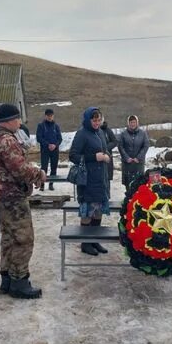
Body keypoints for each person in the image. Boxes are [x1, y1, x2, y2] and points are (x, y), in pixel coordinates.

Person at [0, 104, 46, 299]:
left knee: (8, 238)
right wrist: (39, 173)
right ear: (10, 120)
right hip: (13, 199)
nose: (20, 122)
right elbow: (20, 170)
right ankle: (20, 282)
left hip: (1, 196)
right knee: (23, 238)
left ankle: (7, 279)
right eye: (18, 119)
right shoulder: (7, 141)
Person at [70, 107, 112, 256]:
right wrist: (94, 157)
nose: (96, 122)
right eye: (94, 120)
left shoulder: (100, 132)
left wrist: (105, 155)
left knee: (98, 211)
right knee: (88, 212)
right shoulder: (82, 134)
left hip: (101, 179)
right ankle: (85, 243)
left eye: (99, 120)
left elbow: (103, 149)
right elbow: (73, 156)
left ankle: (94, 240)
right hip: (87, 180)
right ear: (88, 120)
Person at [118, 115, 150, 188]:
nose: (132, 124)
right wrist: (126, 158)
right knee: (128, 184)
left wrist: (138, 157)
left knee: (139, 183)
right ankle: (129, 198)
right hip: (127, 164)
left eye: (134, 122)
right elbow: (120, 146)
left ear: (137, 123)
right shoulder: (123, 134)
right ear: (128, 123)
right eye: (131, 122)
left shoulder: (143, 134)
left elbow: (146, 145)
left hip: (138, 163)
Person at [36, 109, 63, 191]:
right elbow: (39, 138)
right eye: (48, 115)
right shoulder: (41, 125)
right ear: (45, 116)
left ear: (53, 116)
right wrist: (48, 144)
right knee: (44, 168)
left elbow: (60, 138)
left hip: (55, 150)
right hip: (45, 150)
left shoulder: (56, 126)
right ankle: (42, 184)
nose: (50, 117)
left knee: (54, 167)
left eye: (51, 115)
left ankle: (51, 184)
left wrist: (55, 145)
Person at [100, 119, 118, 188]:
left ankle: (107, 197)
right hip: (96, 159)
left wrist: (105, 148)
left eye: (100, 120)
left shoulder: (108, 130)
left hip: (107, 158)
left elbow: (115, 141)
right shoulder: (93, 131)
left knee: (106, 179)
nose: (99, 122)